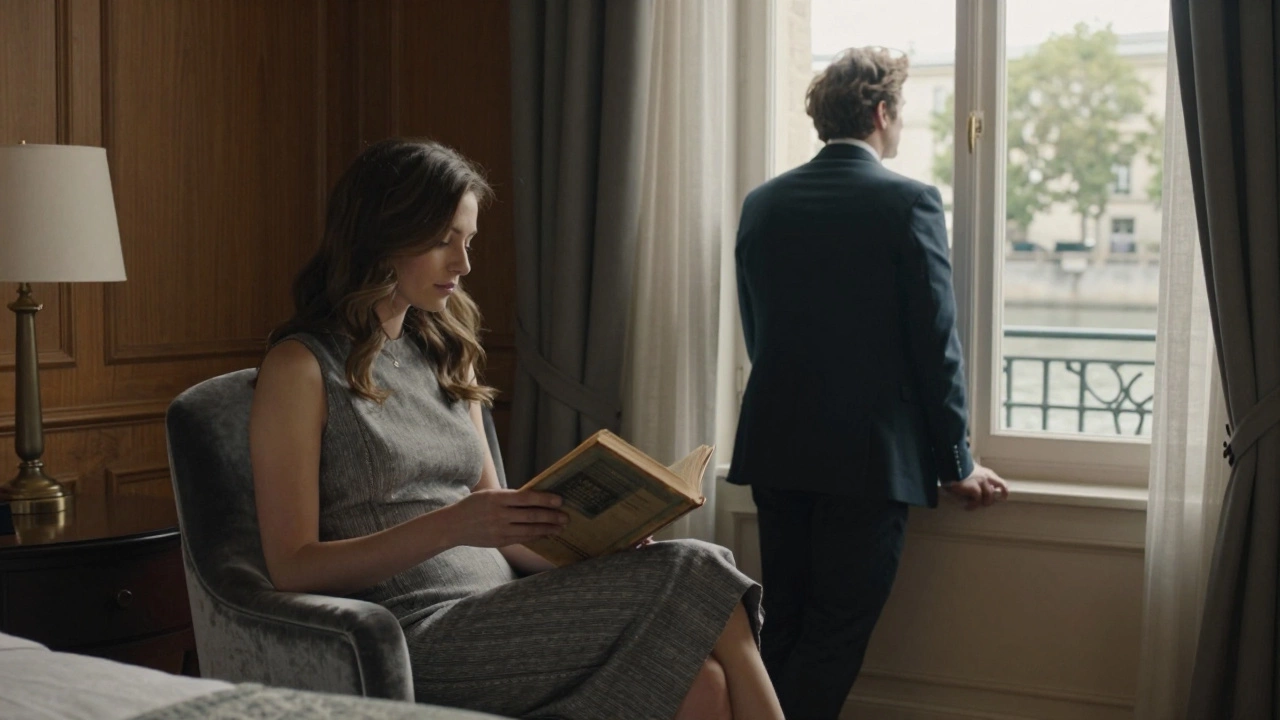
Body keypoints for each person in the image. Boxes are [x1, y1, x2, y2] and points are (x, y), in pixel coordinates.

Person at [249, 138, 783, 720]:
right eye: (441, 241)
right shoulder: (300, 368)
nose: (463, 264)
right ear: (380, 236)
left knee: (701, 682)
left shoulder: (446, 352)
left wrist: (594, 550)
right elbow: (292, 565)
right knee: (701, 566)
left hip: (506, 608)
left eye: (468, 241)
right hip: (409, 636)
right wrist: (450, 526)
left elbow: (498, 527)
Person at [727, 47, 1011, 720]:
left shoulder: (763, 203)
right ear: (882, 112)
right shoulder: (909, 200)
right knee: (833, 637)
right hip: (867, 459)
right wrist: (957, 461)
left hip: (778, 446)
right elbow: (935, 344)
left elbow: (758, 330)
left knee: (783, 626)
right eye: (901, 112)